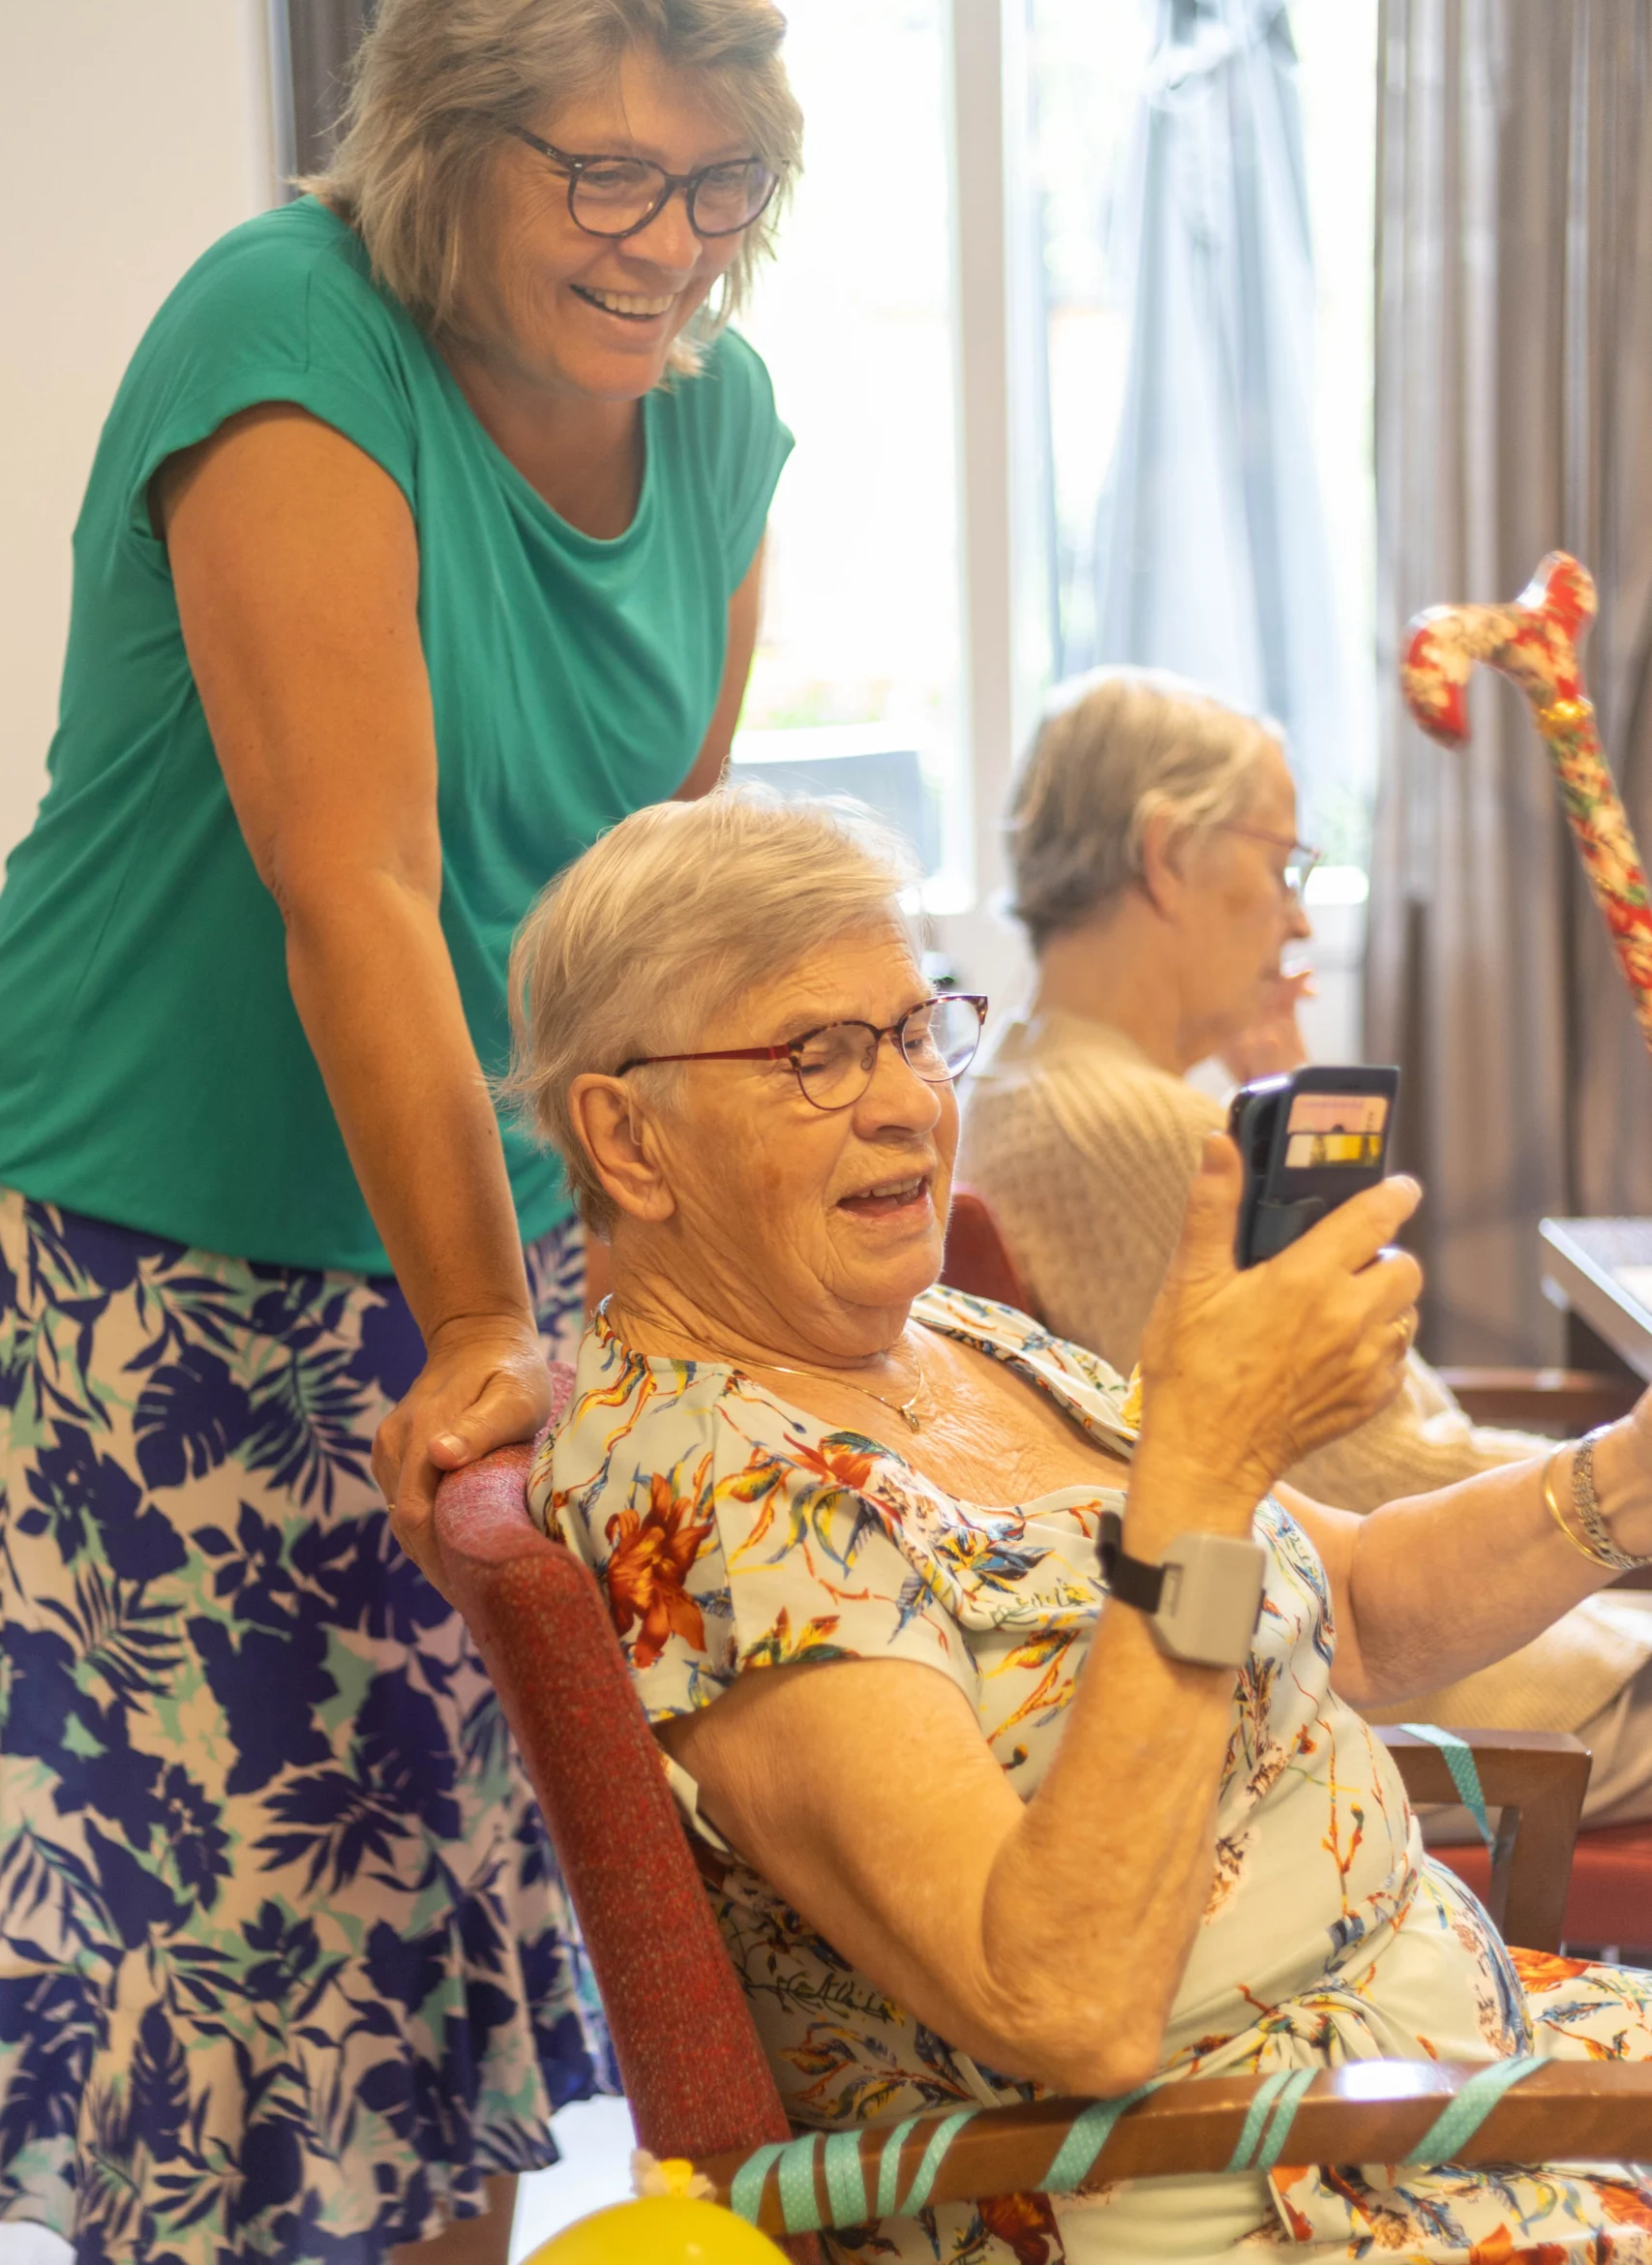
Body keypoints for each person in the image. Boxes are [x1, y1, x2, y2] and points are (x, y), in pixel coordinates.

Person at [0, 0, 800, 2263]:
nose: (666, 242)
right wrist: (474, 1319)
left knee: (450, 1963)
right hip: (164, 1256)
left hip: (499, 1264)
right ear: (446, 132)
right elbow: (354, 887)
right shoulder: (287, 331)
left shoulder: (719, 417)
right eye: (603, 174)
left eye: (717, 181)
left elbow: (632, 910)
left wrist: (644, 1277)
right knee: (240, 2013)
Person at [499, 786, 1652, 2264]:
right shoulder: (716, 1496)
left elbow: (1356, 1606)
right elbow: (1061, 2003)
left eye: (913, 1029)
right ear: (625, 1140)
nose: (906, 1100)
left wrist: (1623, 1476)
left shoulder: (953, 1335)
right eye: (814, 1055)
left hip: (1448, 2059)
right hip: (1244, 2179)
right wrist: (1201, 1476)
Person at [957, 666, 1652, 1829]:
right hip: (1439, 1665)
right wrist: (1620, 1477)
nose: (1297, 918)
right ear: (1167, 854)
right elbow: (1368, 1481)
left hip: (1395, 1619)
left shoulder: (1039, 1080)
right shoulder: (1149, 1133)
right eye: (1285, 865)